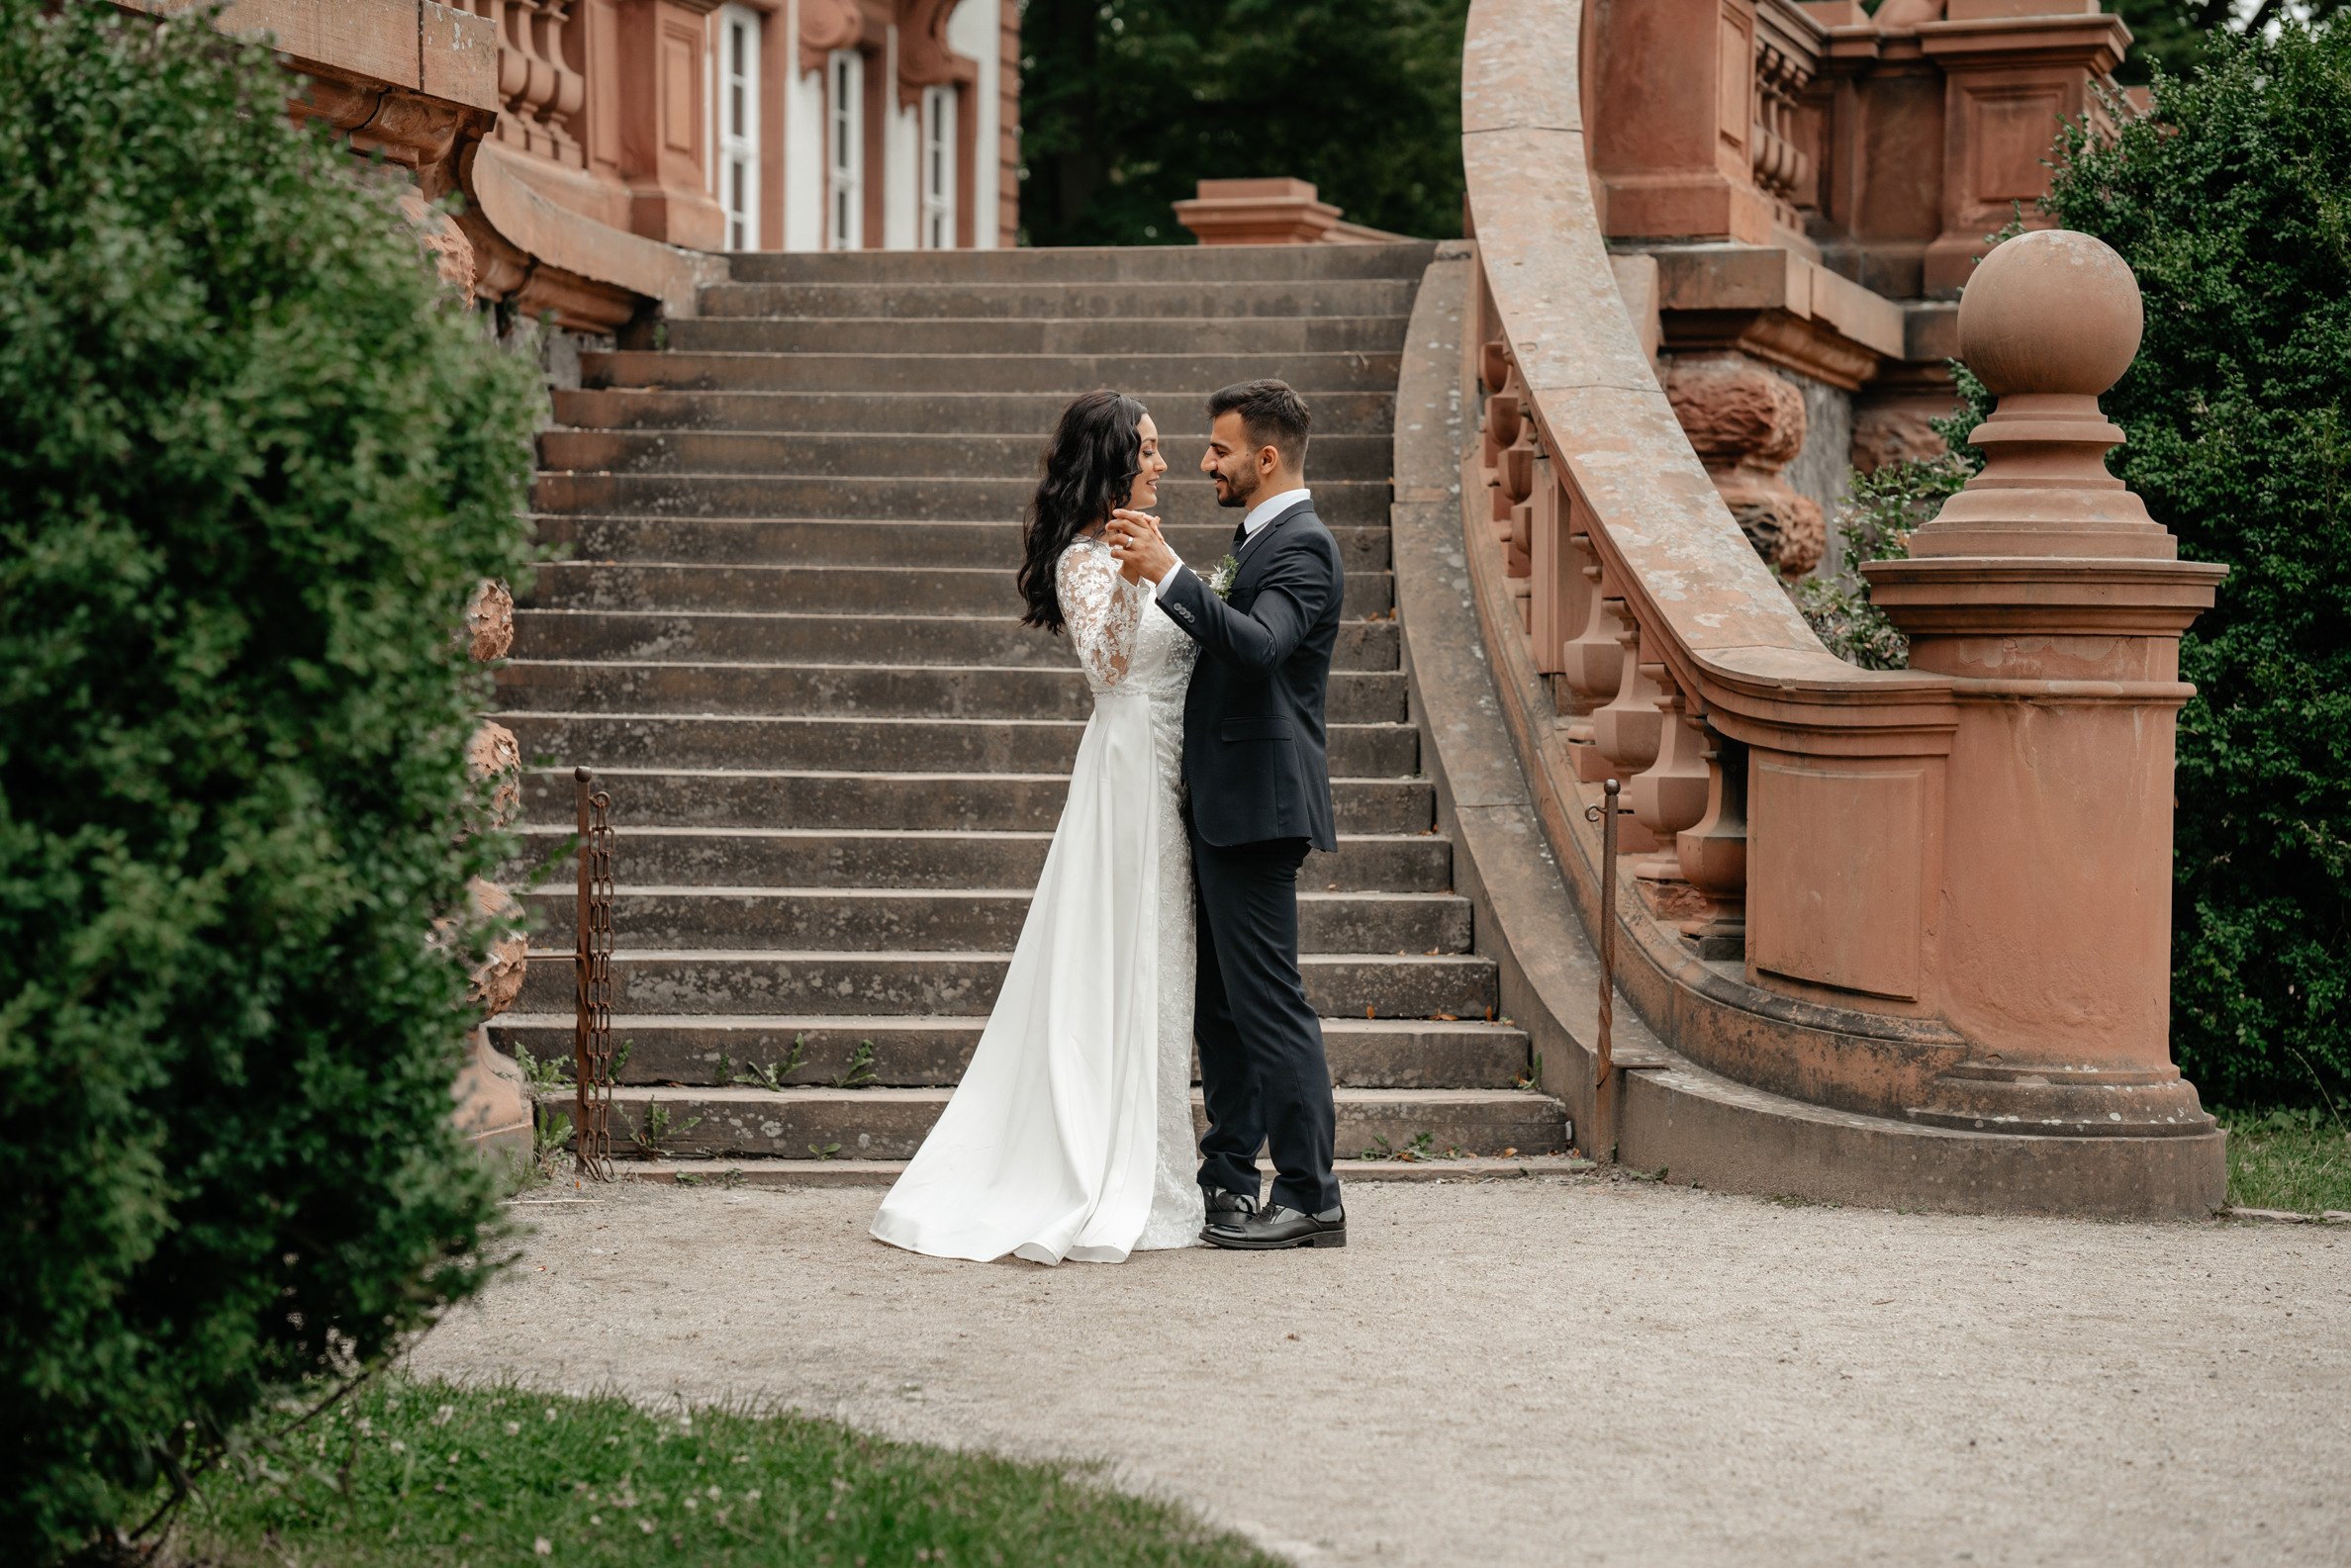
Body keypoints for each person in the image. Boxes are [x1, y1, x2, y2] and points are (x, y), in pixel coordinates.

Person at [870, 391, 1204, 1264]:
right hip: (1127, 769)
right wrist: (1140, 571)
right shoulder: (1087, 560)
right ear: (1112, 461)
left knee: (1164, 966)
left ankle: (1169, 1169)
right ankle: (1104, 1169)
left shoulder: (1146, 545)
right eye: (1150, 450)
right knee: (1123, 961)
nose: (1163, 464)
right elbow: (1108, 665)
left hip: (1172, 760)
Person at [1107, 378, 1347, 1251]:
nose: (1204, 462)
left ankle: (1314, 1194)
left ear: (1267, 457)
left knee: (1268, 1004)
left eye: (1219, 449)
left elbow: (1261, 649)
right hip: (1221, 806)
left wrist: (1169, 572)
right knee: (1223, 1009)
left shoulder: (1303, 548)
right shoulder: (1260, 541)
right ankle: (1228, 1179)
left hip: (1259, 808)